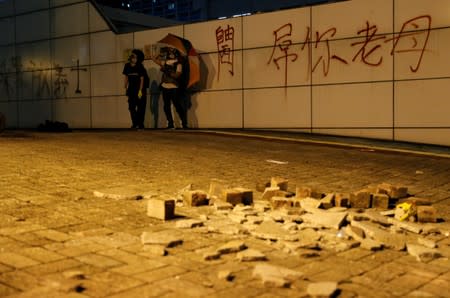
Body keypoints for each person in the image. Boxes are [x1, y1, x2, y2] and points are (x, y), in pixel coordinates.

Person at [151, 47, 188, 129]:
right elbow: (153, 58)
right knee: (166, 106)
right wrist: (160, 54)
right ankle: (170, 123)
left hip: (174, 86)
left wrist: (169, 72)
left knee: (177, 105)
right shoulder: (165, 61)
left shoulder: (179, 63)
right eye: (169, 52)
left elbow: (178, 75)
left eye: (172, 52)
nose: (170, 53)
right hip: (165, 86)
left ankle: (184, 123)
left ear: (175, 53)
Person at [123, 49, 148, 129]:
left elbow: (142, 79)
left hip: (140, 89)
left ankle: (140, 124)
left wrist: (140, 91)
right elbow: (126, 77)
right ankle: (135, 123)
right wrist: (125, 87)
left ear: (138, 58)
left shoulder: (140, 66)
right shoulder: (127, 66)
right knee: (131, 107)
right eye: (132, 56)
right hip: (131, 89)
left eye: (135, 57)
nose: (133, 58)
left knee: (141, 107)